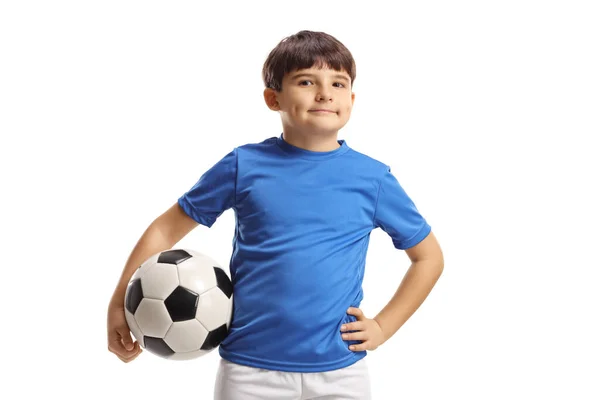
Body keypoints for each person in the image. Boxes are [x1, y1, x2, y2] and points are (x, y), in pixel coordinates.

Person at [107, 29, 444, 399]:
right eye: (305, 81)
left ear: (352, 98)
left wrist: (383, 326)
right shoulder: (244, 166)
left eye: (338, 82)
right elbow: (164, 230)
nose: (324, 93)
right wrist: (119, 300)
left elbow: (428, 257)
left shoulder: (372, 178)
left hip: (341, 370)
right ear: (273, 98)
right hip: (249, 370)